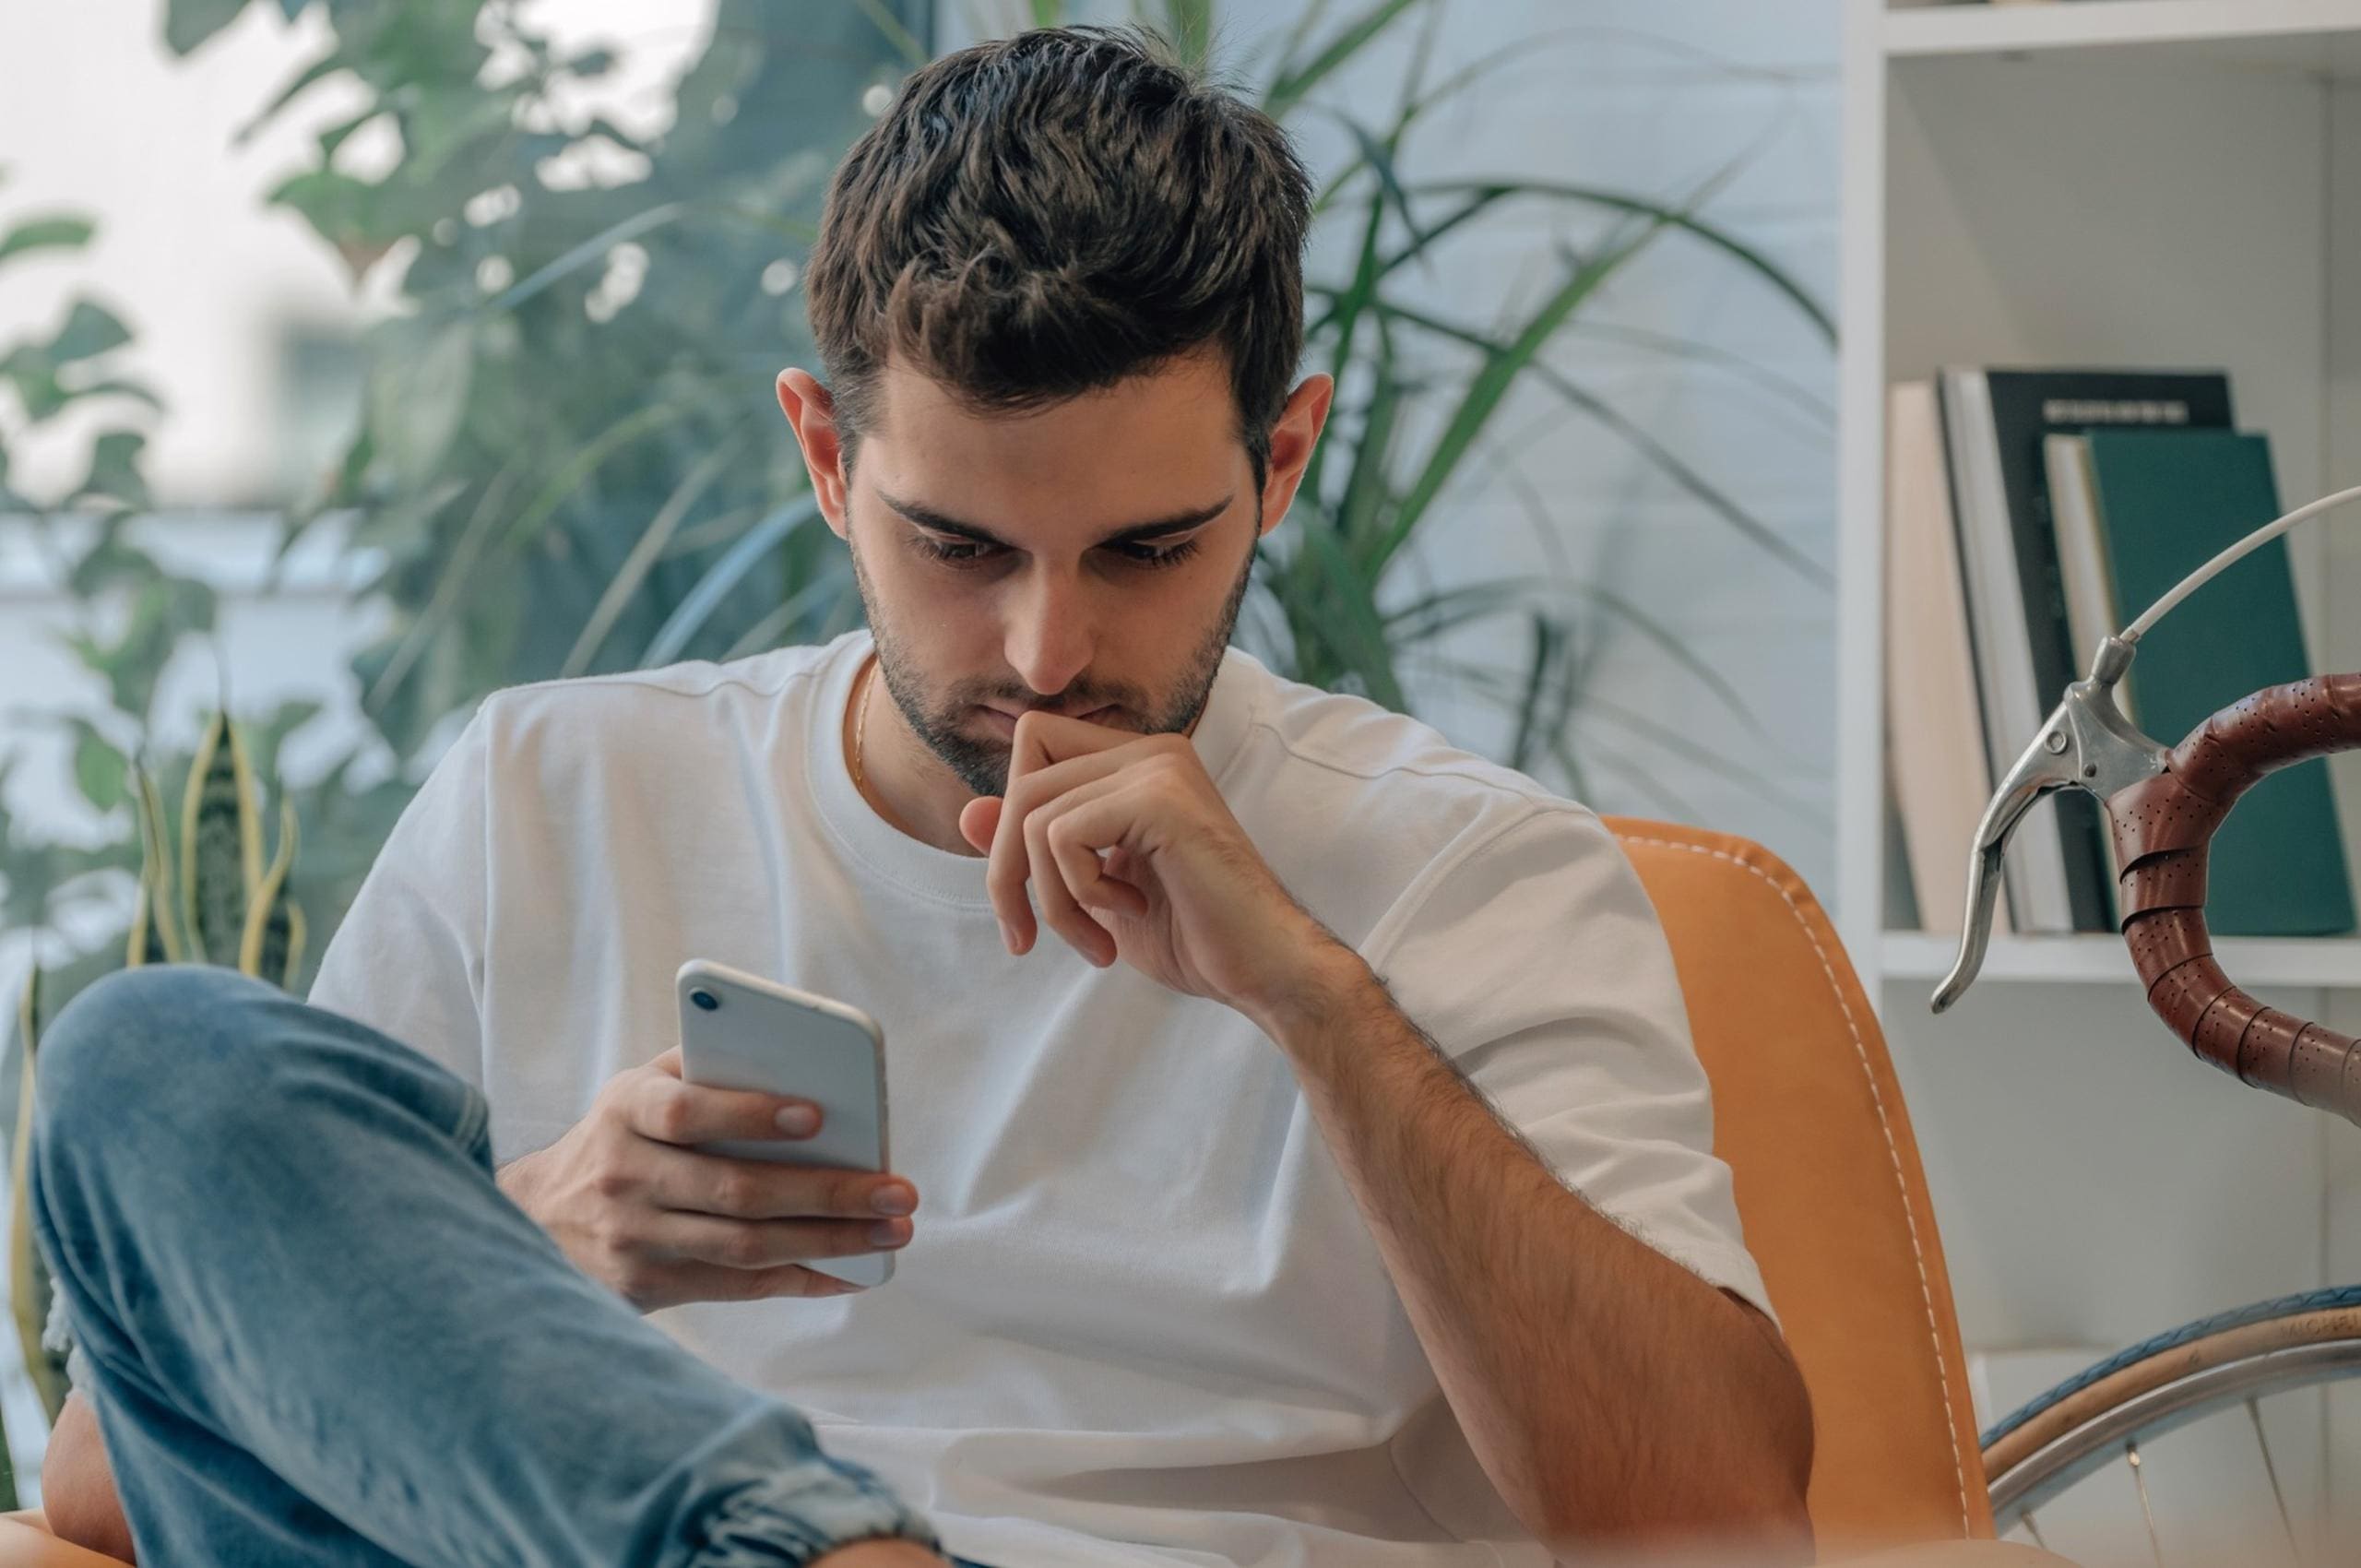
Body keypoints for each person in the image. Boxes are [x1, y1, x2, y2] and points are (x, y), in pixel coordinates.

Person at [31, 24, 1814, 1568]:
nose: (1048, 652)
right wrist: (531, 1237)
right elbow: (113, 1488)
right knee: (150, 1058)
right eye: (959, 545)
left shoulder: (1468, 872)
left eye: (1149, 548)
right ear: (826, 457)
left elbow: (1731, 1532)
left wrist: (1314, 998)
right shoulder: (552, 790)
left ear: (1280, 463)